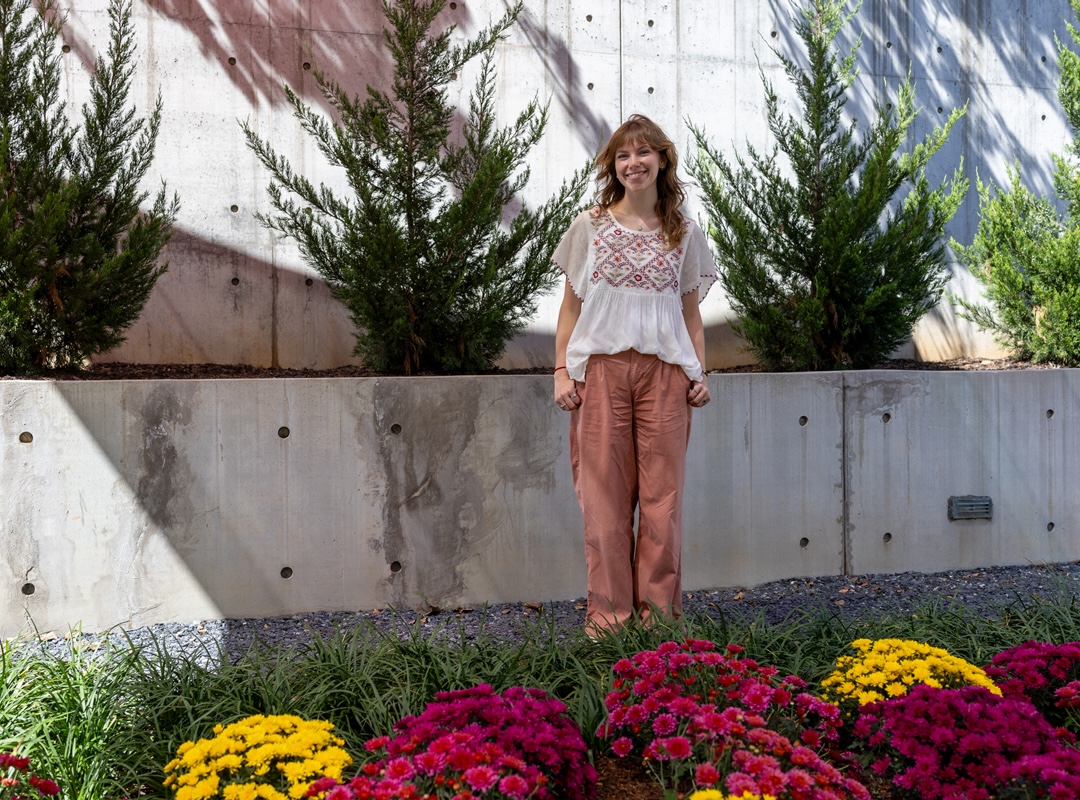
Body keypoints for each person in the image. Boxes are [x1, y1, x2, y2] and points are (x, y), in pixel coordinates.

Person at [551, 114, 717, 634]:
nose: (633, 163)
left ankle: (659, 622)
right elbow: (570, 311)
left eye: (643, 153)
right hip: (600, 373)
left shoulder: (685, 234)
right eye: (623, 155)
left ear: (662, 160)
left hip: (666, 376)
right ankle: (609, 620)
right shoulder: (590, 226)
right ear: (613, 166)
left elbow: (691, 313)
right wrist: (562, 371)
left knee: (662, 505)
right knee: (603, 504)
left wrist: (700, 372)